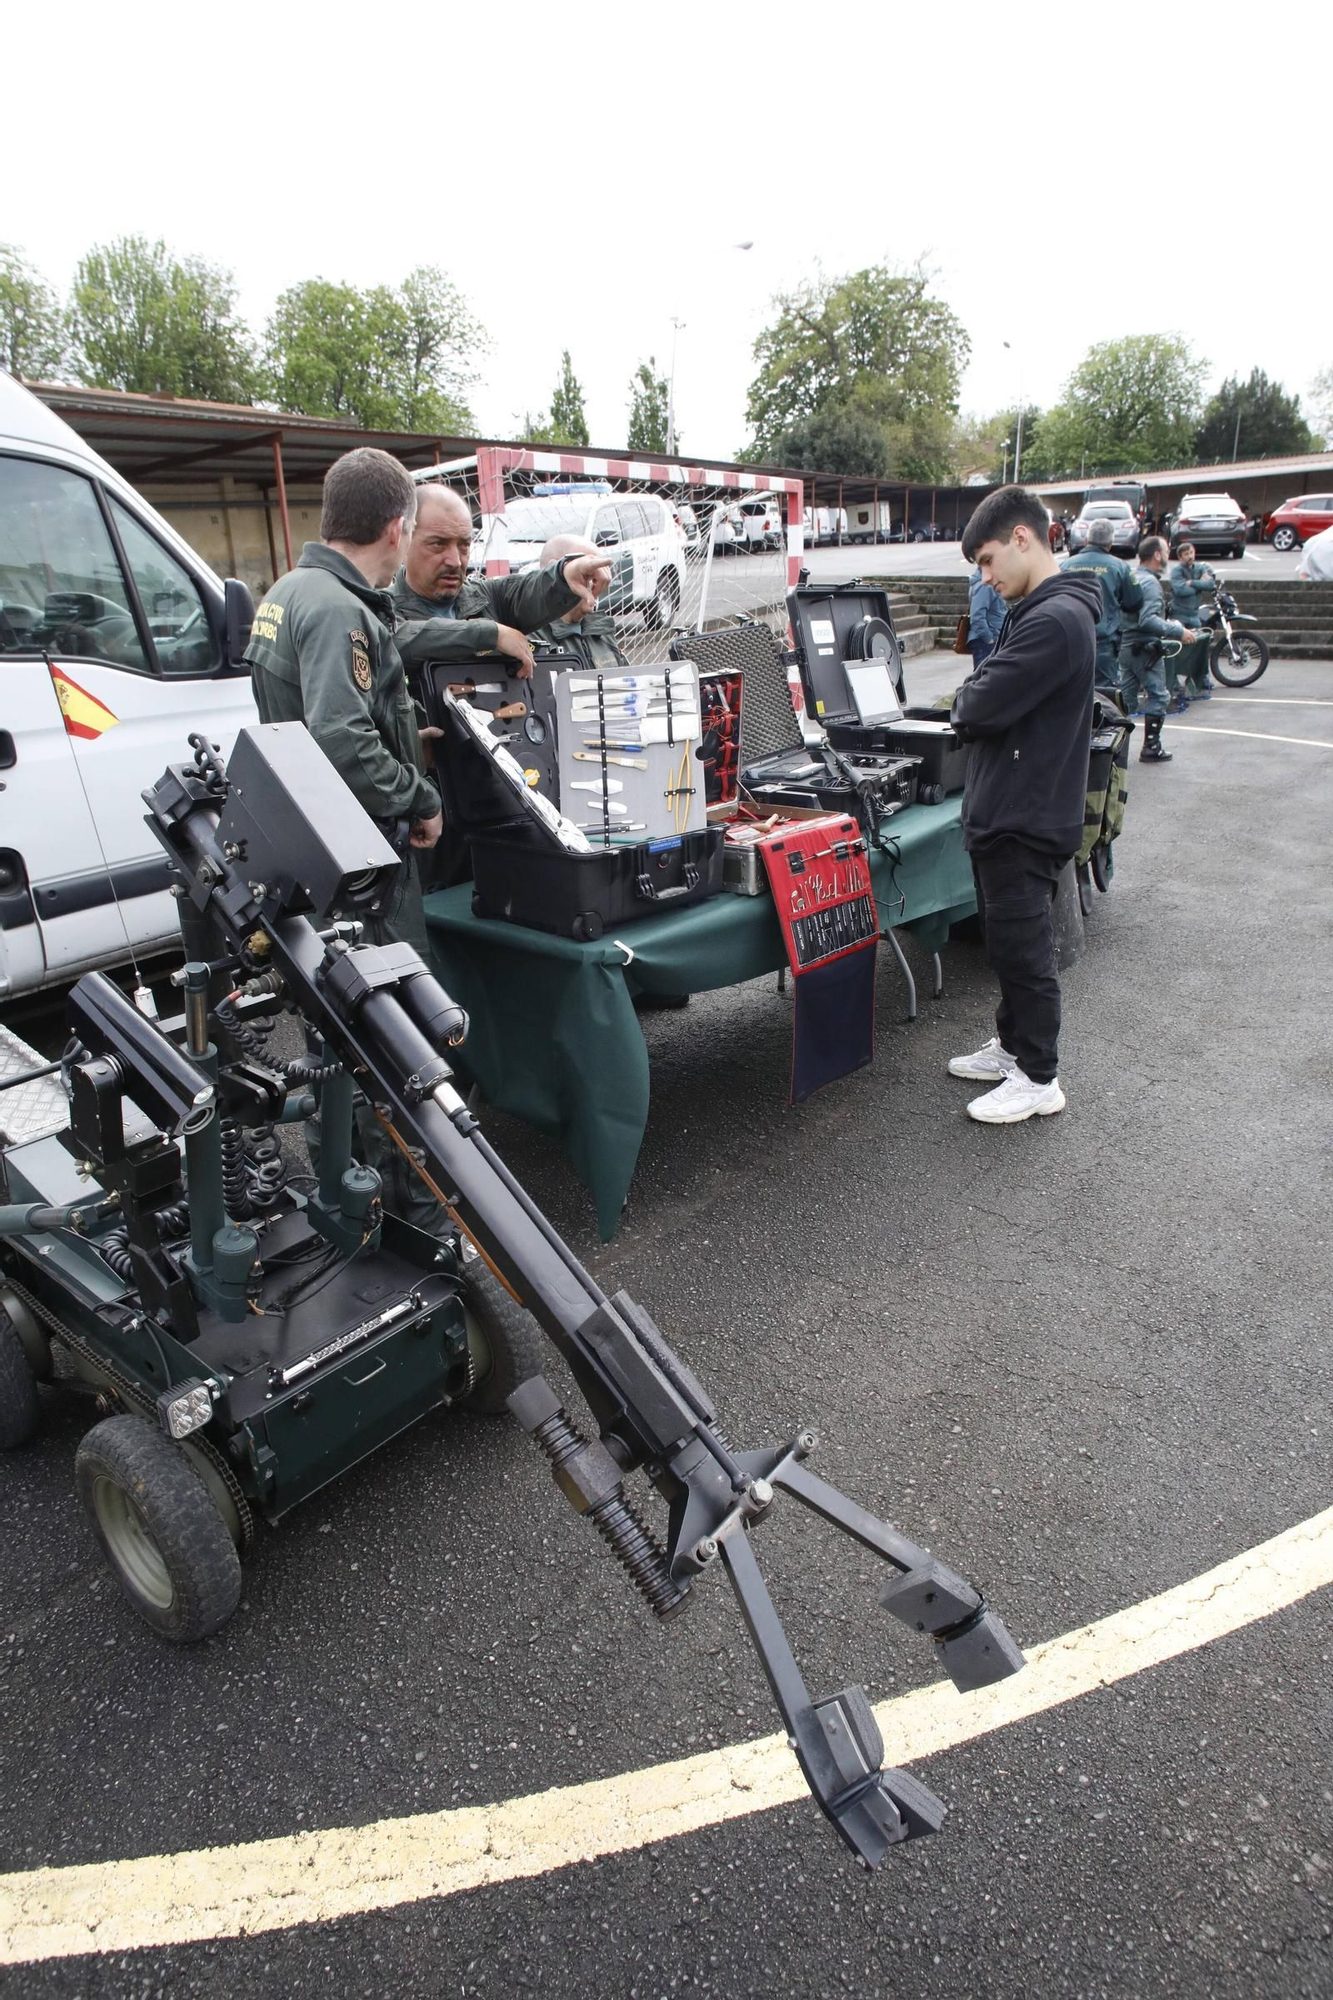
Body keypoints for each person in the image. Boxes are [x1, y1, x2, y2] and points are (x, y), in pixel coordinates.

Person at [244, 448, 443, 1229]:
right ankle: (414, 1207)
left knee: (340, 1027)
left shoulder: (290, 591)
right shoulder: (338, 607)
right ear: (397, 528)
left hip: (311, 845)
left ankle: (355, 1189)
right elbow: (338, 734)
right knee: (394, 1023)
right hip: (360, 854)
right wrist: (418, 795)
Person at [947, 486, 1101, 1125]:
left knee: (1024, 948)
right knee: (1009, 944)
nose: (985, 579)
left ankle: (1039, 1076)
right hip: (1015, 806)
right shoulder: (1040, 610)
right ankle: (1015, 1047)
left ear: (1022, 538)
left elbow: (976, 706)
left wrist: (969, 697)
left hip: (1025, 813)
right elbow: (983, 694)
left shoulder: (1053, 619)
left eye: (986, 562)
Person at [391, 484, 611, 685]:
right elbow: (398, 640)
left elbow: (530, 591)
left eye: (464, 546)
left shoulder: (488, 599)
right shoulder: (381, 610)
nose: (455, 561)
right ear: (405, 540)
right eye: (438, 544)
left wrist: (564, 576)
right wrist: (490, 634)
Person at [1119, 538, 1204, 763]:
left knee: (1124, 699)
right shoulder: (1150, 583)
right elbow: (1147, 620)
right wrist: (1177, 631)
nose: (1169, 554)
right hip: (1145, 649)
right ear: (1157, 555)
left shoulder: (1131, 577)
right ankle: (1151, 747)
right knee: (1159, 696)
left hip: (1125, 646)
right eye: (1166, 550)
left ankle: (1113, 750)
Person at [1060, 517, 1139, 692]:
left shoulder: (1064, 565)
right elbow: (1134, 602)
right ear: (1110, 544)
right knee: (1104, 698)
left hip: (1068, 643)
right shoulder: (1119, 567)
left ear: (1086, 540)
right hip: (1102, 644)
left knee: (1070, 695)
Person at [526, 532, 624, 670]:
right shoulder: (531, 640)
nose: (598, 581)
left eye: (601, 571)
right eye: (588, 571)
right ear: (556, 571)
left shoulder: (601, 631)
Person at [1165, 542, 1218, 702]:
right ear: (1180, 557)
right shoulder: (1177, 571)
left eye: (1191, 552)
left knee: (1200, 648)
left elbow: (1210, 584)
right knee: (1175, 647)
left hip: (1194, 615)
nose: (1190, 556)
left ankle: (1202, 679)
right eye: (1186, 554)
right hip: (1179, 614)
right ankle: (1173, 681)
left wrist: (1193, 583)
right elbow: (1180, 590)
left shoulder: (1200, 568)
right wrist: (1198, 586)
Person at [967, 564, 1006, 667]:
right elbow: (977, 617)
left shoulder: (984, 585)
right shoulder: (984, 587)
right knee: (984, 677)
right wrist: (989, 639)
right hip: (985, 641)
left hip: (989, 638)